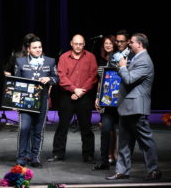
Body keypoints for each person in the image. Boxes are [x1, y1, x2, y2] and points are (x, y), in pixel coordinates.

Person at [106, 33, 162, 180]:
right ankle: (122, 171)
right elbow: (124, 75)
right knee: (124, 142)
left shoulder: (145, 60)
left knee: (145, 141)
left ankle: (154, 170)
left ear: (139, 44)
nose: (128, 44)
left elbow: (129, 79)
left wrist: (123, 67)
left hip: (136, 107)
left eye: (131, 42)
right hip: (126, 106)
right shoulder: (135, 58)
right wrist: (121, 66)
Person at [48, 34, 98, 164]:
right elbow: (61, 76)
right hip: (67, 96)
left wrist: (80, 91)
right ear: (71, 43)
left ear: (84, 44)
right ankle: (58, 153)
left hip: (84, 95)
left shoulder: (91, 57)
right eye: (76, 44)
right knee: (62, 126)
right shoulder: (64, 57)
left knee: (86, 126)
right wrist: (74, 89)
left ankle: (88, 155)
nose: (78, 46)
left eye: (80, 44)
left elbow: (93, 77)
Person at [15, 35, 58, 168]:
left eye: (39, 47)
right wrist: (15, 102)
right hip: (25, 101)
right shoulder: (20, 61)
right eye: (35, 47)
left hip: (42, 101)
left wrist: (49, 80)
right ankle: (22, 157)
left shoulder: (50, 61)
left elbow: (57, 78)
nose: (38, 49)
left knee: (38, 130)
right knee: (24, 128)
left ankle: (35, 158)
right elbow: (16, 82)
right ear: (29, 49)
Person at [92, 35, 119, 170]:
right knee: (106, 126)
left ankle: (113, 153)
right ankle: (107, 156)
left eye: (110, 43)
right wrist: (97, 97)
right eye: (105, 43)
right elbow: (99, 81)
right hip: (104, 97)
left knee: (113, 127)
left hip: (116, 97)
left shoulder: (118, 58)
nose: (107, 45)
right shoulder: (101, 60)